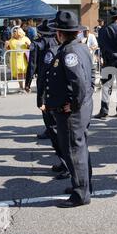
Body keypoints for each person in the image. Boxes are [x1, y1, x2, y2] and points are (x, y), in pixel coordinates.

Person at [45, 11, 93, 208]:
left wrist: (72, 104)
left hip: (72, 112)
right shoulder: (79, 48)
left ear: (60, 33)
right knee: (80, 149)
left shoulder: (69, 52)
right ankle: (83, 186)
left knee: (74, 151)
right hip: (80, 109)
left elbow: (79, 83)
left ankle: (81, 193)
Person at [30, 19, 68, 177]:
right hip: (61, 99)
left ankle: (67, 165)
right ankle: (64, 163)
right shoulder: (63, 47)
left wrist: (41, 99)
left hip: (56, 99)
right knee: (59, 132)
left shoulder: (52, 50)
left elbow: (45, 77)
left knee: (56, 131)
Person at [94, 6, 117, 119]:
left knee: (106, 86)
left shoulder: (103, 29)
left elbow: (101, 46)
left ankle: (104, 110)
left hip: (108, 60)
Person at [6, 27, 30, 93]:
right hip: (16, 59)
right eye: (13, 31)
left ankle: (27, 86)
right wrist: (6, 46)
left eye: (16, 31)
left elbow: (31, 47)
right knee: (19, 74)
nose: (14, 33)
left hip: (24, 58)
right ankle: (21, 87)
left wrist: (28, 45)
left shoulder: (26, 38)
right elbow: (8, 50)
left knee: (26, 73)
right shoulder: (11, 40)